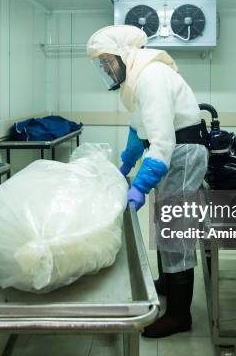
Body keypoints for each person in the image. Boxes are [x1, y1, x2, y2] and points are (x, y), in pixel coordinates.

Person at [86, 25, 209, 338]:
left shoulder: (151, 77)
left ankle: (180, 315)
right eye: (100, 64)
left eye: (107, 61)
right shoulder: (138, 80)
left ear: (124, 55)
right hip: (175, 152)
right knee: (163, 224)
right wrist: (125, 165)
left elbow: (162, 142)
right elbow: (138, 130)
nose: (105, 69)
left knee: (175, 230)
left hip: (181, 154)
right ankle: (167, 284)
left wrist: (139, 186)